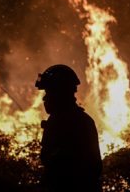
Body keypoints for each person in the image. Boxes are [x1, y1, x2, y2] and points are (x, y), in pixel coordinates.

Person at [35, 64, 103, 192]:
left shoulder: (75, 123)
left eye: (49, 92)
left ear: (61, 93)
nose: (45, 98)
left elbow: (83, 170)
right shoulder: (60, 120)